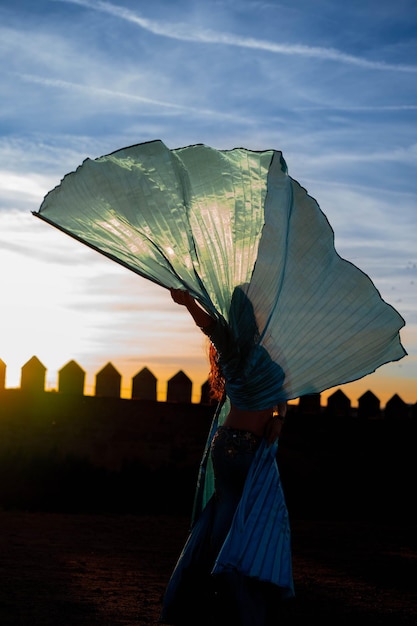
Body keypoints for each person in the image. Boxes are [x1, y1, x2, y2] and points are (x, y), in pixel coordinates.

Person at [160, 288, 294, 626]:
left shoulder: (236, 353)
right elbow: (281, 397)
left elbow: (281, 399)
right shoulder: (253, 355)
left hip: (231, 446)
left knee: (231, 511)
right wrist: (278, 420)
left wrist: (279, 417)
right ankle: (224, 590)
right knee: (248, 516)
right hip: (247, 448)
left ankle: (213, 586)